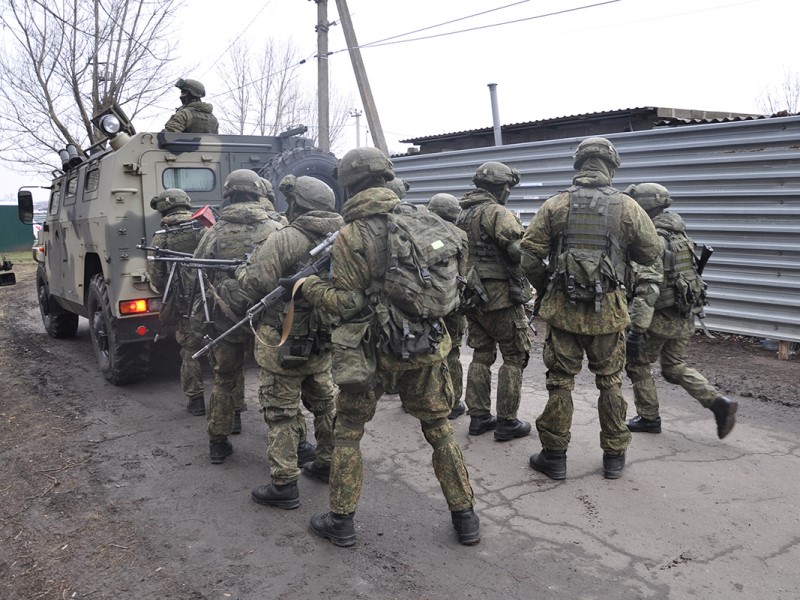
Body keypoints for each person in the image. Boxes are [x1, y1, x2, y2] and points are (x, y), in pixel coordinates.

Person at [287, 147, 480, 547]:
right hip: (425, 344)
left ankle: (341, 522)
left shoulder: (352, 234)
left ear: (349, 183)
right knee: (440, 430)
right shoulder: (424, 219)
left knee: (348, 432)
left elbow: (348, 302)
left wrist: (309, 287)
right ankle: (466, 517)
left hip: (370, 351)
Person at [520, 137, 662, 480]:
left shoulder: (556, 204)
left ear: (579, 164)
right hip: (609, 312)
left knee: (560, 382)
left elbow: (528, 256)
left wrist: (547, 284)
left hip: (563, 309)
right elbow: (650, 253)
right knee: (610, 381)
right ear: (611, 166)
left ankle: (554, 456)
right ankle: (614, 456)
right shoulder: (627, 207)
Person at [236, 175, 342, 509]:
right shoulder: (347, 236)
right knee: (324, 402)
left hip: (282, 339)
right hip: (324, 338)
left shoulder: (285, 238)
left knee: (281, 410)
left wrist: (242, 270)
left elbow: (253, 284)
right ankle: (326, 462)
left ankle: (284, 483)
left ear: (297, 203)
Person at [624, 182, 738, 438]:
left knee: (637, 365)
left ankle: (648, 417)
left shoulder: (653, 239)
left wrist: (637, 330)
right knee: (674, 366)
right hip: (684, 313)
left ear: (643, 207)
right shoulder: (679, 235)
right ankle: (718, 403)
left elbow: (648, 288)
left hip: (659, 317)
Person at [191, 169, 285, 464]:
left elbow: (198, 268)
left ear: (229, 193)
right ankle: (284, 448)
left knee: (224, 378)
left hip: (225, 319)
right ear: (258, 192)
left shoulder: (214, 231)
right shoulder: (276, 227)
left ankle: (219, 441)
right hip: (265, 318)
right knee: (275, 382)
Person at [456, 162, 532, 441]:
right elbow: (517, 252)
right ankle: (507, 422)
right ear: (504, 188)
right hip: (500, 297)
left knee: (482, 354)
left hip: (471, 296)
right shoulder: (497, 212)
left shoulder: (461, 214)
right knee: (514, 355)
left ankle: (479, 417)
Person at [146, 189, 207, 416]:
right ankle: (236, 405)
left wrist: (169, 292)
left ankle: (197, 401)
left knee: (190, 349)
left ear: (163, 208)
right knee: (224, 348)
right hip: (213, 298)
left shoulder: (162, 236)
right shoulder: (204, 227)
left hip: (185, 303)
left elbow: (157, 275)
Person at [427, 193, 468, 420]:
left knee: (427, 350)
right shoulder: (459, 235)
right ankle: (452, 403)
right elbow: (463, 271)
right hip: (451, 303)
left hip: (423, 303)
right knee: (452, 351)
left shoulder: (418, 232)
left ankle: (424, 399)